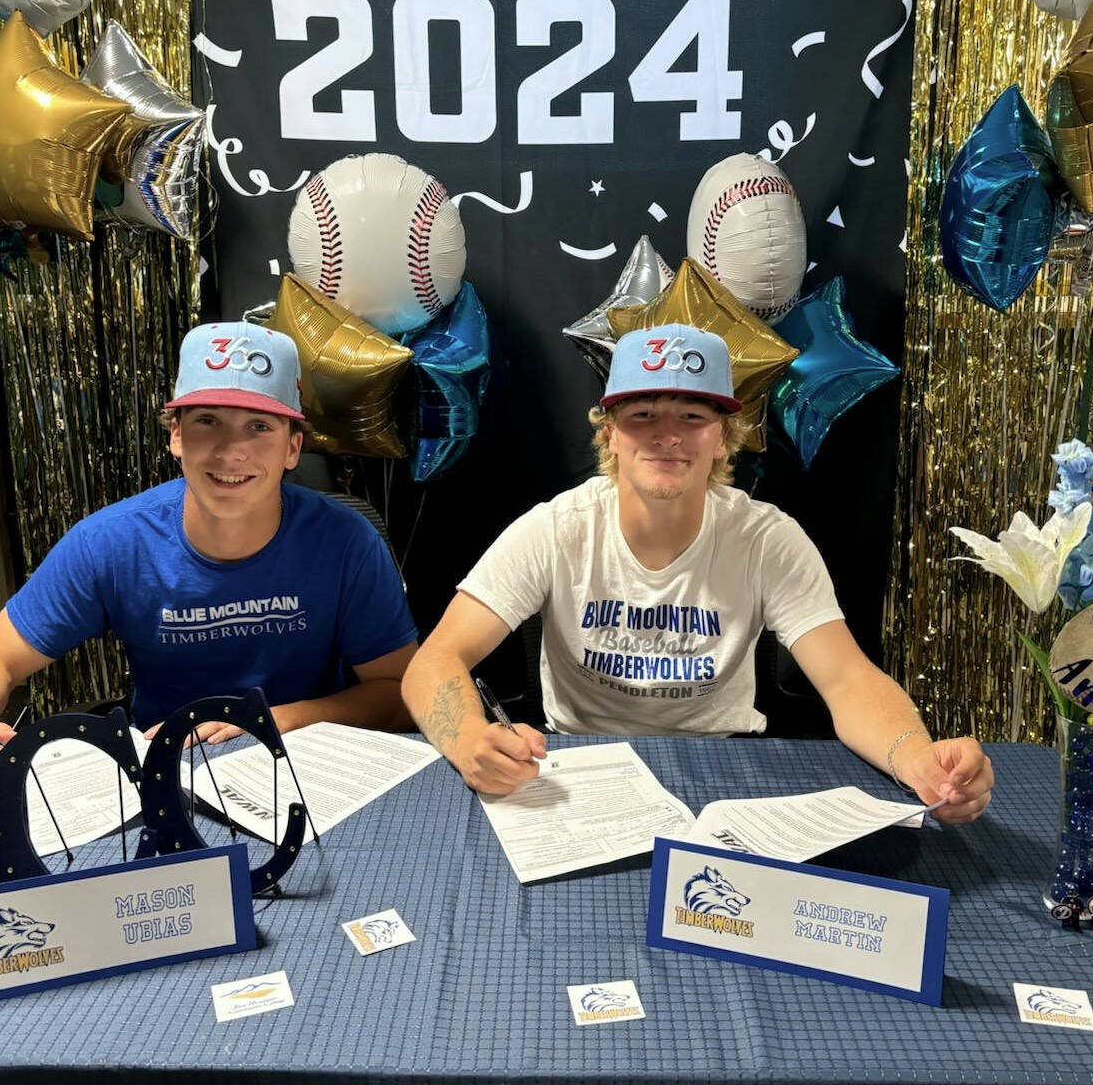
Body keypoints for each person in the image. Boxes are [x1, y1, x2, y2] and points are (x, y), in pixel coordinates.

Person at [402, 323, 994, 820]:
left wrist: (915, 757)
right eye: (642, 414)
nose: (667, 435)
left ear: (722, 438)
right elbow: (434, 662)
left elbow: (846, 681)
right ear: (609, 433)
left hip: (725, 770)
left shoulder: (767, 539)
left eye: (692, 415)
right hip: (579, 766)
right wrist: (468, 740)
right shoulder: (559, 528)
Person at [0, 321, 418, 788]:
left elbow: (398, 693)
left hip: (312, 762)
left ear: (293, 447)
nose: (231, 451)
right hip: (164, 775)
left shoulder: (347, 542)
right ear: (176, 435)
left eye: (259, 427)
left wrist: (273, 719)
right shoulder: (112, 542)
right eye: (207, 421)